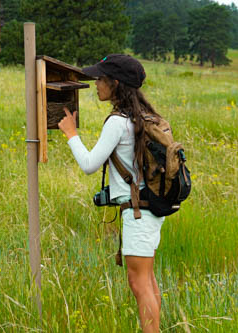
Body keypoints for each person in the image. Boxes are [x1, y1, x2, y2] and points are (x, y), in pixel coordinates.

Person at [58, 54, 164, 333]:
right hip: (150, 208)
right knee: (147, 280)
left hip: (138, 212)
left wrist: (71, 134)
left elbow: (90, 165)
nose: (96, 83)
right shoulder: (148, 116)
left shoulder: (118, 122)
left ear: (115, 84)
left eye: (101, 79)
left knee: (139, 283)